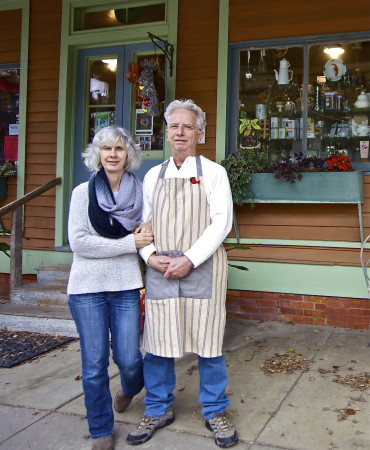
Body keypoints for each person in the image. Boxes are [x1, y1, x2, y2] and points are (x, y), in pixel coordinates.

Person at [126, 100, 238, 448]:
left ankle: (215, 410)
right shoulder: (152, 175)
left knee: (208, 342)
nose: (180, 132)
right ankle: (158, 408)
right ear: (166, 132)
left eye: (187, 127)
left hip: (202, 267)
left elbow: (221, 223)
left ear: (199, 134)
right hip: (161, 269)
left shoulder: (214, 173)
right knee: (158, 344)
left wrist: (189, 259)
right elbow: (142, 225)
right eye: (174, 126)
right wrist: (150, 256)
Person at [67, 126, 153, 450]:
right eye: (106, 149)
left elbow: (151, 226)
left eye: (119, 148)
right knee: (94, 363)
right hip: (87, 287)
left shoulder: (141, 193)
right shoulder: (81, 194)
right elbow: (80, 243)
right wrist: (129, 242)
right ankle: (101, 428)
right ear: (98, 155)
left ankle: (130, 387)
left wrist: (148, 232)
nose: (113, 154)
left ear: (128, 154)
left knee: (130, 358)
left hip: (126, 285)